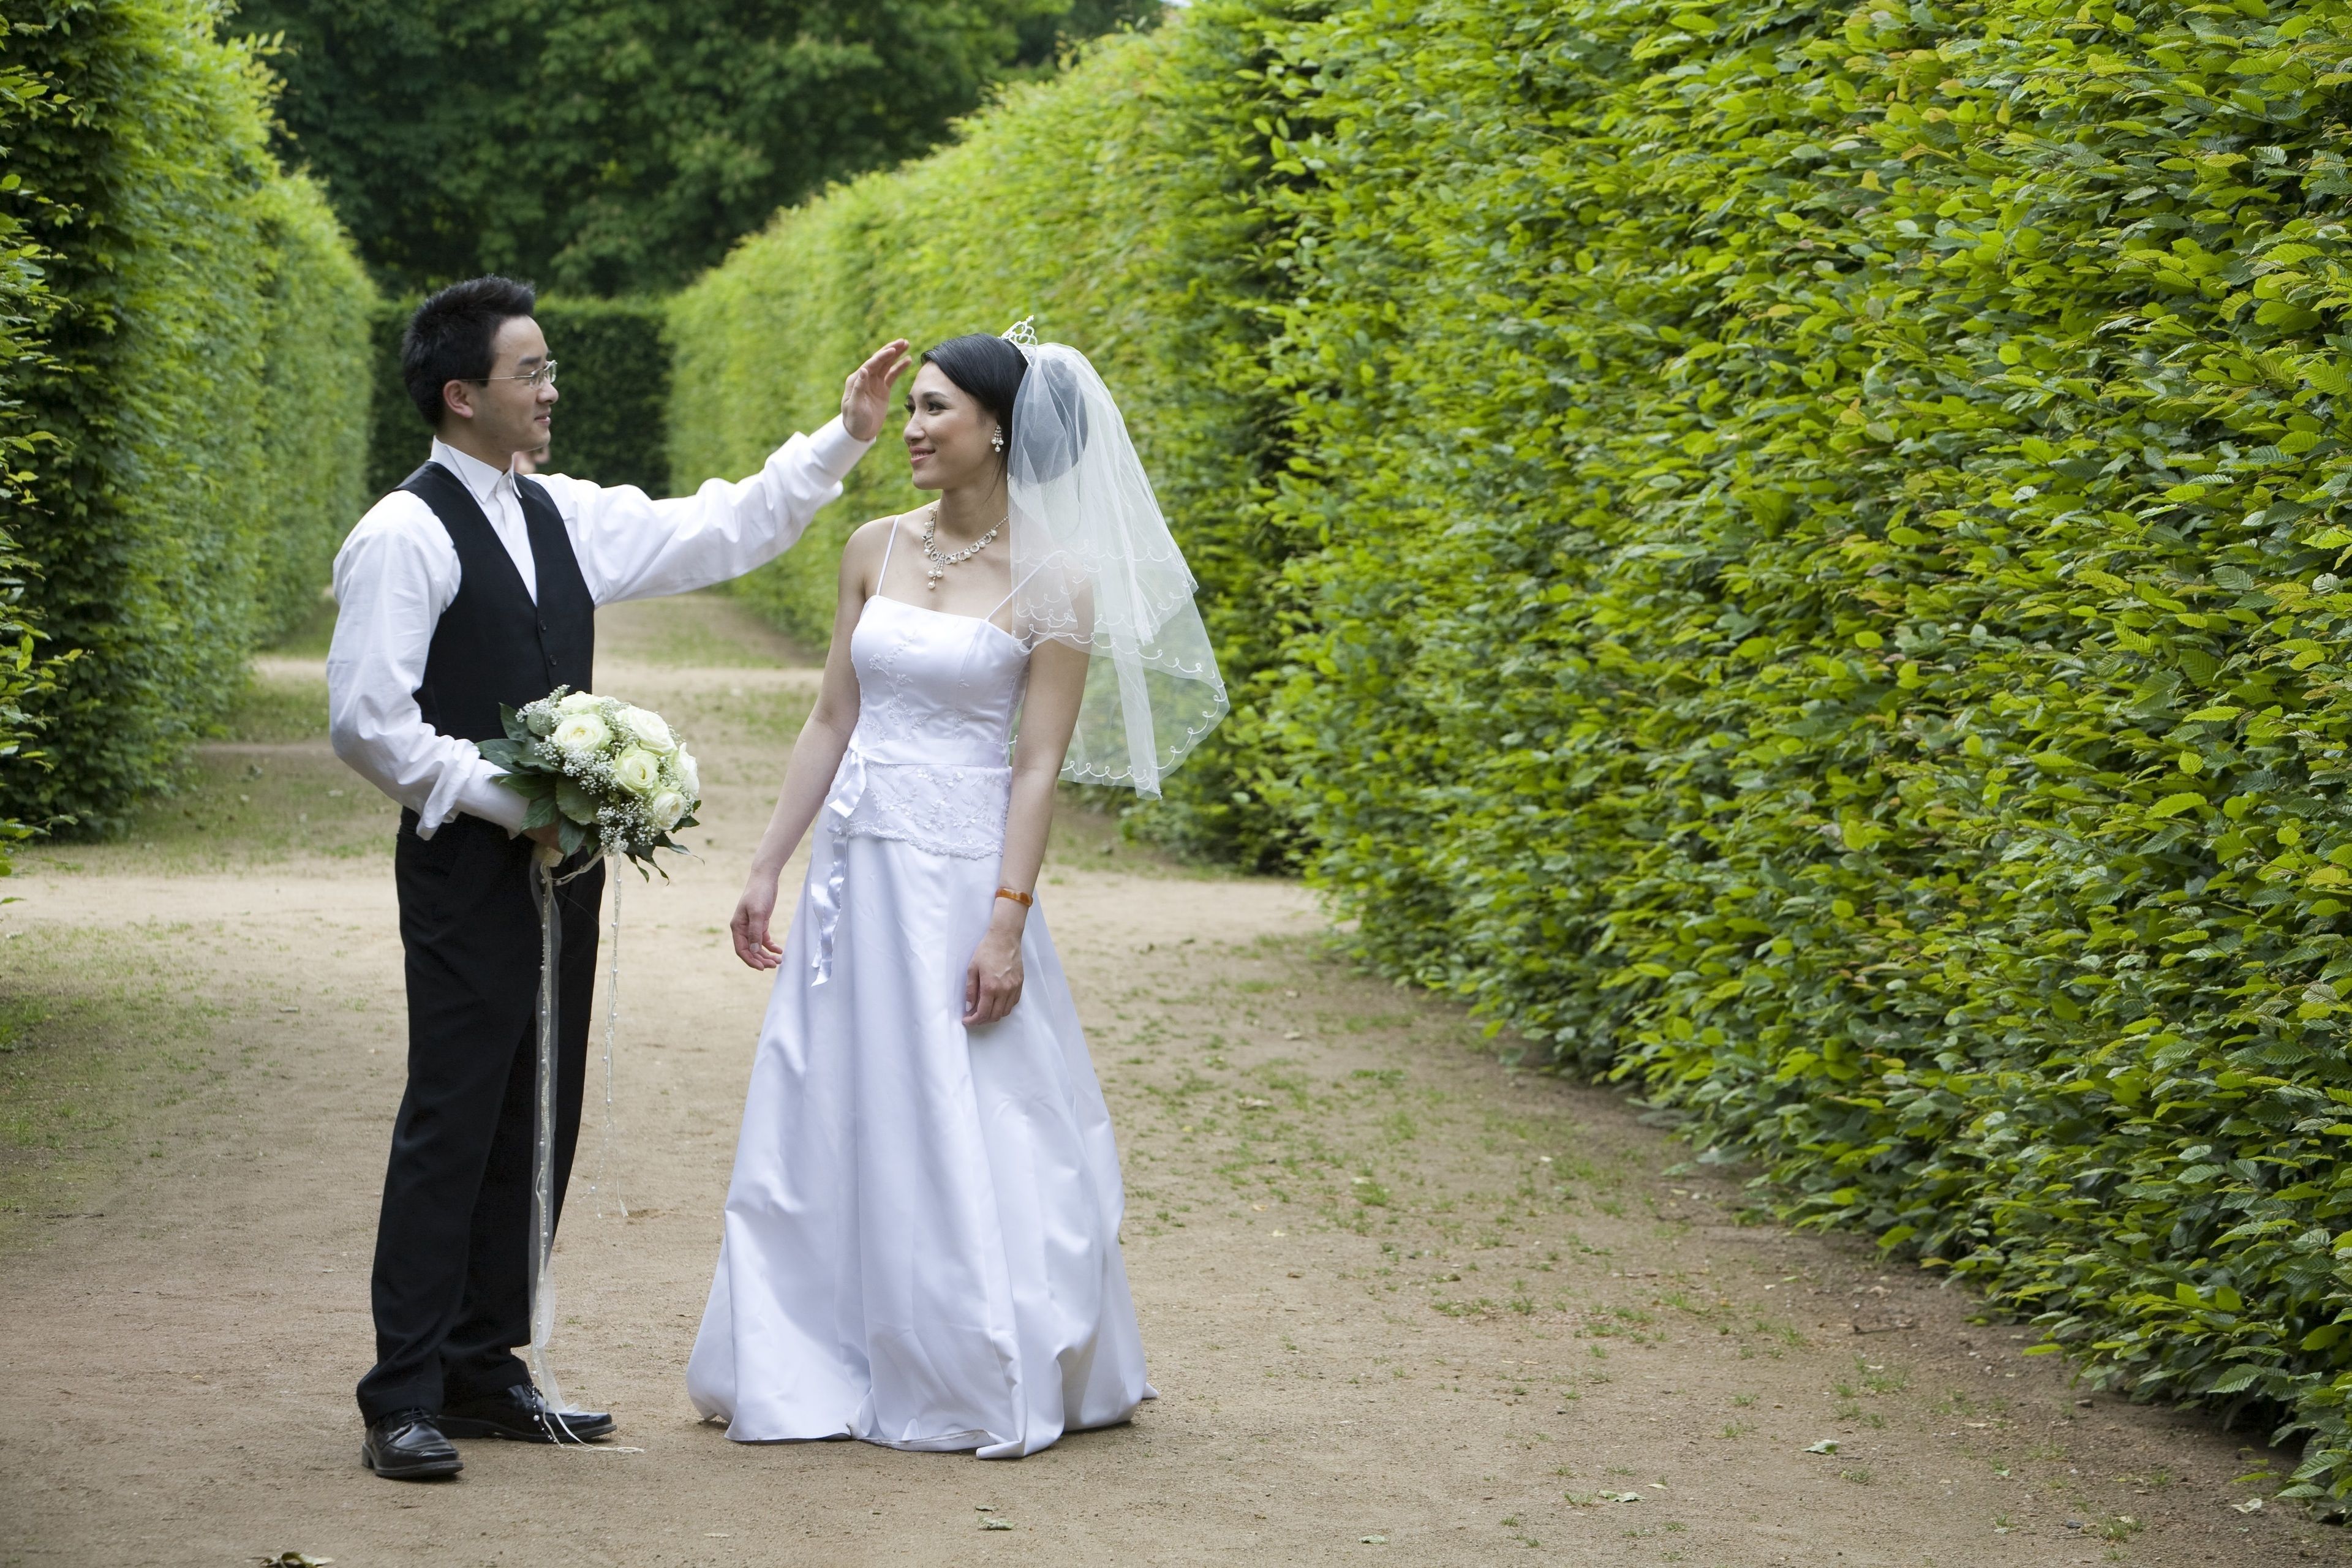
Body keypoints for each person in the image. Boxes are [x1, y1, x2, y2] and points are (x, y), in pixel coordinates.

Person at [327, 274, 910, 1480]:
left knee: (544, 1097)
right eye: (529, 371)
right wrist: (522, 799)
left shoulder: (563, 513)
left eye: (547, 367)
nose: (551, 388)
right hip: (464, 866)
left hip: (566, 870)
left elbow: (724, 525)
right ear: (460, 394)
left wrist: (844, 437)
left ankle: (487, 1363)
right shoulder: (403, 533)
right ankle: (405, 1389)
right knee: (454, 1108)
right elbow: (369, 724)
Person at [686, 323, 1227, 1458]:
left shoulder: (1057, 582)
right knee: (825, 1101)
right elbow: (834, 716)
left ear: (997, 428)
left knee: (970, 1112)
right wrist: (766, 863)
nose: (914, 429)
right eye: (914, 408)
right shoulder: (871, 549)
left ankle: (979, 1351)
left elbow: (1036, 767)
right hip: (852, 880)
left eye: (936, 410)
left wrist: (1006, 922)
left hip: (959, 883)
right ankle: (811, 1351)